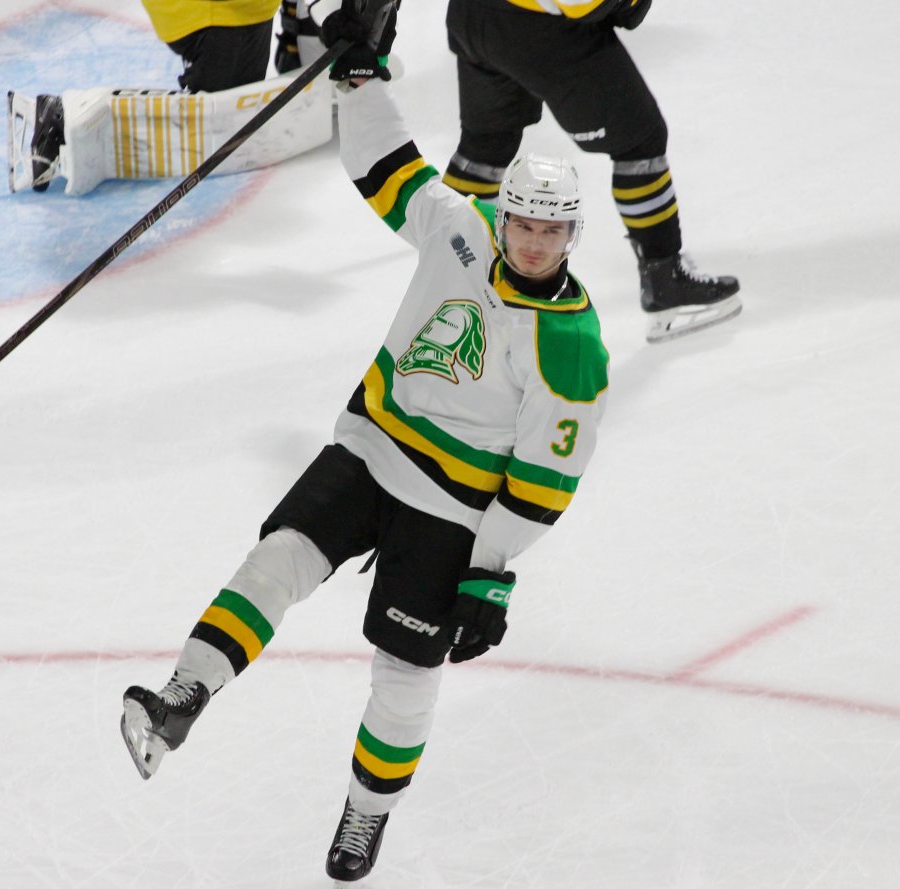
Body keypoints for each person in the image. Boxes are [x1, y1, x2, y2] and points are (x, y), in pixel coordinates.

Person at [118, 3, 609, 882]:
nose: (533, 242)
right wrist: (358, 75)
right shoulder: (461, 229)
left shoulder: (571, 347)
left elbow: (543, 482)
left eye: (551, 230)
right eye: (524, 224)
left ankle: (363, 816)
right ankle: (182, 693)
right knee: (276, 560)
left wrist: (489, 571)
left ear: (572, 233)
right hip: (371, 447)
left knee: (404, 670)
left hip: (454, 508)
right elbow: (386, 166)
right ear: (507, 217)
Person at [443, 0, 742, 343]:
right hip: (534, 23)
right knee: (640, 141)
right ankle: (666, 282)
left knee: (486, 145)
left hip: (473, 13)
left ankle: (446, 271)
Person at [16, 0, 320, 194]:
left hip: (225, 9)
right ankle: (66, 117)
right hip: (219, 10)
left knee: (229, 119)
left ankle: (300, 31)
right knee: (221, 128)